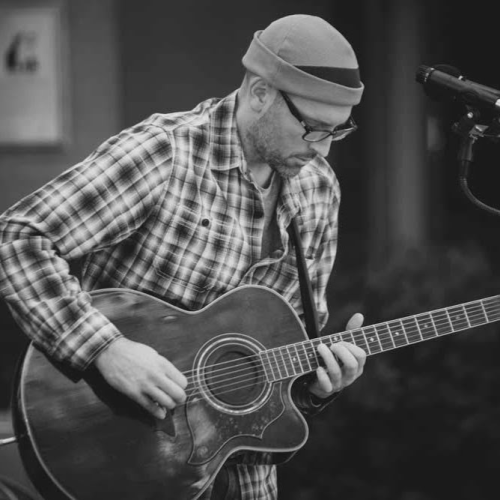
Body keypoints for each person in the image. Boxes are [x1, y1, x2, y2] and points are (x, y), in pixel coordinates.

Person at [0, 14, 367, 500]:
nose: (321, 151)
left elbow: (285, 360)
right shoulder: (164, 153)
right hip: (120, 460)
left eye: (336, 134)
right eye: (313, 129)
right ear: (260, 93)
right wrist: (105, 349)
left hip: (244, 482)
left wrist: (320, 387)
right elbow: (19, 238)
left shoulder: (318, 190)